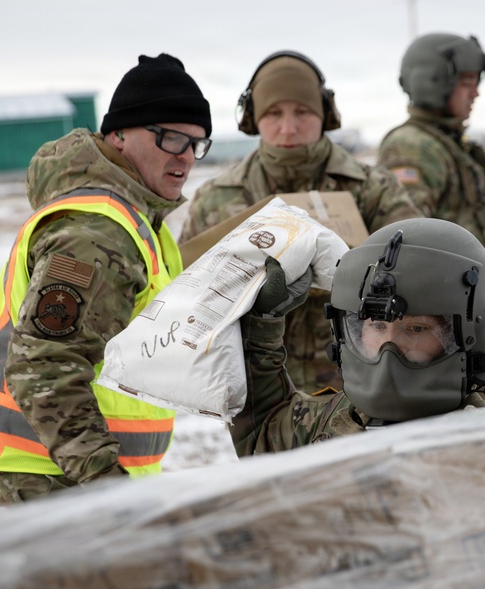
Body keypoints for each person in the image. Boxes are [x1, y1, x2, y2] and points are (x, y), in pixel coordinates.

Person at [0, 54, 213, 505]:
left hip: (73, 476)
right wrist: (107, 485)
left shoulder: (139, 224)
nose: (187, 156)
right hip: (49, 481)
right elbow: (45, 366)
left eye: (198, 143)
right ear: (119, 134)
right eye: (172, 137)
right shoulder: (97, 232)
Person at [178, 51, 421, 395]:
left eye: (303, 112)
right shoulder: (217, 199)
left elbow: (418, 272)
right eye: (273, 113)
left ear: (325, 113)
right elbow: (186, 298)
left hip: (364, 387)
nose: (288, 128)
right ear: (252, 118)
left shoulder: (373, 189)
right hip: (260, 393)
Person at [229, 218, 485, 455]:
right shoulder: (332, 423)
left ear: (474, 339)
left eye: (416, 329)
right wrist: (262, 323)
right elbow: (262, 433)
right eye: (377, 326)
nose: (390, 348)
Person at [377, 33, 485, 405]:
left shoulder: (454, 145)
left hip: (475, 311)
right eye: (467, 82)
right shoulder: (414, 148)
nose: (475, 93)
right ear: (434, 82)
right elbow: (408, 241)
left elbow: (478, 228)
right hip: (447, 325)